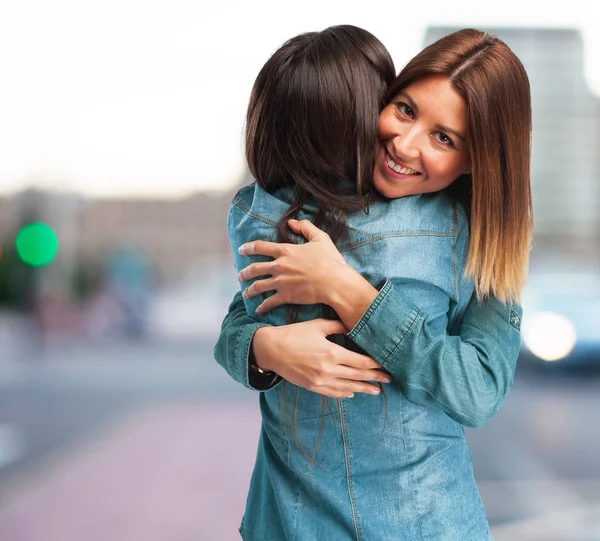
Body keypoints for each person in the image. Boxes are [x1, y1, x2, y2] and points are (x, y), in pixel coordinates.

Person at [215, 26, 532, 541]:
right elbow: (238, 318)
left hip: (424, 523)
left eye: (443, 137)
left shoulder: (479, 237)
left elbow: (477, 393)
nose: (404, 144)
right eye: (405, 109)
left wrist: (348, 291)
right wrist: (264, 348)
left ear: (477, 160)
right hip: (290, 519)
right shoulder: (300, 204)